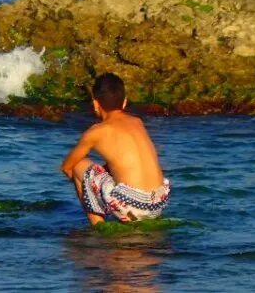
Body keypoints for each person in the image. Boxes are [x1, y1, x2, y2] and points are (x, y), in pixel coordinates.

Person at [60, 73, 171, 225]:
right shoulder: (137, 122)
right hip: (158, 203)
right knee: (110, 170)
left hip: (133, 206)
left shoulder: (96, 132)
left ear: (95, 104)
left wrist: (90, 193)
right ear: (124, 102)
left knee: (78, 165)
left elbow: (67, 167)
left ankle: (98, 226)